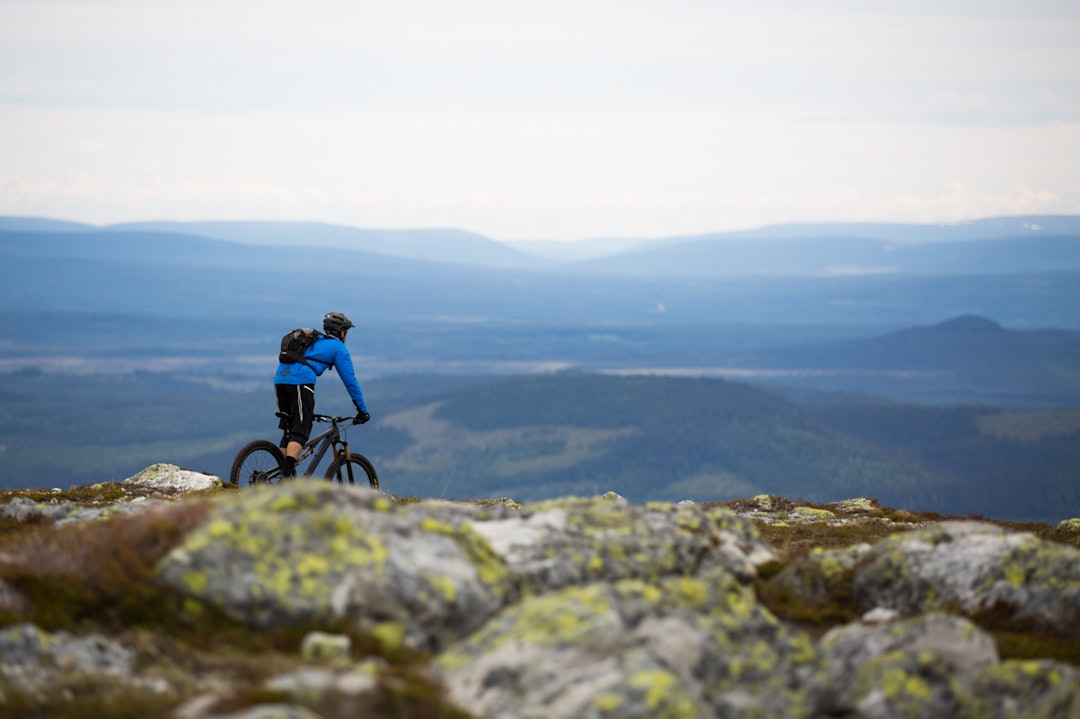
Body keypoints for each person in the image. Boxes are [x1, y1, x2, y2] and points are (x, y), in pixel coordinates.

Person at [274, 311, 370, 478]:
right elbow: (350, 382)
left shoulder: (315, 340)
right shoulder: (338, 348)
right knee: (300, 431)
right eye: (346, 332)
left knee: (289, 430)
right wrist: (362, 411)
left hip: (280, 379)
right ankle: (284, 479)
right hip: (300, 382)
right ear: (342, 333)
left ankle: (282, 474)